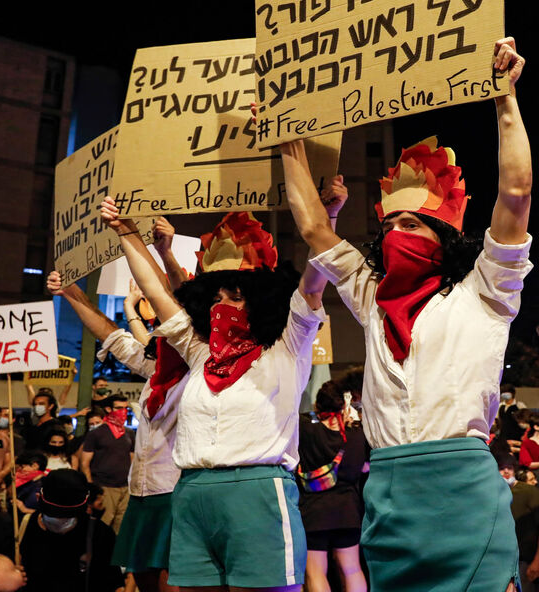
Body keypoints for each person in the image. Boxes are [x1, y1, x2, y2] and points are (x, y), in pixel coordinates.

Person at [281, 37, 531, 592]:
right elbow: (315, 231)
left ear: (445, 238)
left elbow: (515, 192)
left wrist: (504, 100)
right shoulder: (372, 299)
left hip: (465, 492)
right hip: (389, 495)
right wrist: (288, 141)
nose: (397, 235)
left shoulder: (486, 291)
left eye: (412, 226)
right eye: (389, 228)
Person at [102, 202, 334, 592]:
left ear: (260, 300)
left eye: (235, 297)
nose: (222, 307)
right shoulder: (199, 353)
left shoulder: (288, 346)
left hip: (257, 491)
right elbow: (157, 293)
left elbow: (315, 278)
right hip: (191, 493)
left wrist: (325, 218)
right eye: (215, 298)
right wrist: (126, 233)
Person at [49, 217, 189, 592]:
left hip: (177, 491)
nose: (159, 325)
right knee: (142, 577)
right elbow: (113, 337)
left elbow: (177, 302)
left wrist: (163, 253)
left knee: (170, 580)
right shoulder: (156, 368)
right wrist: (73, 294)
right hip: (142, 490)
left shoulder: (202, 368)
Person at [297, 381, 369, 592]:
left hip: (314, 513)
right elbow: (363, 468)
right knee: (352, 569)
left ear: (318, 406)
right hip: (348, 512)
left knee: (316, 571)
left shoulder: (306, 430)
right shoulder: (357, 434)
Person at [18, 469, 122, 592]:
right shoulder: (22, 527)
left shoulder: (101, 534)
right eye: (54, 513)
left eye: (66, 515)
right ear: (38, 497)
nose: (60, 519)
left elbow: (114, 583)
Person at [79, 394, 133, 533]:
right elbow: (84, 462)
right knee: (103, 525)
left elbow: (132, 458)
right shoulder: (96, 434)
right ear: (108, 409)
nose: (123, 411)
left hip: (125, 487)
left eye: (126, 408)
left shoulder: (129, 433)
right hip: (105, 486)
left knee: (121, 527)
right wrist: (92, 487)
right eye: (119, 408)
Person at [511, 469, 539, 592]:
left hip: (526, 561)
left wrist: (537, 560)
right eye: (531, 480)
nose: (535, 482)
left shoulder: (533, 497)